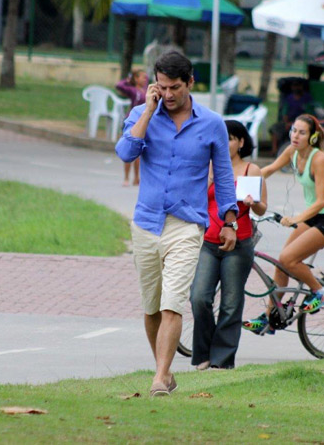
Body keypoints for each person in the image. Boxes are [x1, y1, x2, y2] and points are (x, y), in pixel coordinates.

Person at [115, 51, 239, 397]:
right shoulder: (143, 113)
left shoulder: (212, 123)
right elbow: (125, 153)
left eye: (175, 88)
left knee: (173, 302)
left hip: (187, 225)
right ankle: (165, 372)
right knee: (152, 306)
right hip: (146, 223)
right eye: (162, 87)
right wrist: (148, 110)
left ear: (190, 83)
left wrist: (230, 220)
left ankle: (160, 377)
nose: (168, 94)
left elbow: (225, 176)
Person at [243, 114, 324, 334]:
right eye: (293, 130)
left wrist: (296, 219)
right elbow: (268, 170)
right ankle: (271, 318)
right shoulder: (292, 152)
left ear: (312, 137)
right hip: (312, 217)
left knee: (288, 258)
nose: (295, 136)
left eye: (301, 132)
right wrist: (241, 185)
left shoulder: (319, 160)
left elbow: (321, 201)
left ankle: (321, 293)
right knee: (282, 263)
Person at [189, 120, 267, 370]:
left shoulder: (250, 170)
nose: (226, 143)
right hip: (208, 241)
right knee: (199, 297)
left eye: (231, 138)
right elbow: (194, 198)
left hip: (239, 243)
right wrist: (209, 180)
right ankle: (203, 354)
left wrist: (251, 201)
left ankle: (222, 360)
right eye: (223, 138)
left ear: (241, 142)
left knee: (231, 303)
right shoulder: (209, 167)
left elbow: (262, 207)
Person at [115, 69, 148, 186]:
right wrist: (129, 79)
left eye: (146, 77)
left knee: (138, 152)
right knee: (128, 149)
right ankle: (126, 177)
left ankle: (136, 177)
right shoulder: (133, 90)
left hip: (143, 122)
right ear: (136, 79)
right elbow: (119, 85)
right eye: (142, 77)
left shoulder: (146, 90)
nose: (145, 79)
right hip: (132, 121)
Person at [269, 80, 313, 156]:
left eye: (298, 86)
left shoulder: (307, 98)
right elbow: (285, 113)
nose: (296, 88)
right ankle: (274, 150)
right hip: (288, 122)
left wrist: (295, 123)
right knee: (274, 128)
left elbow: (308, 114)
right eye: (294, 86)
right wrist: (287, 123)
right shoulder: (289, 98)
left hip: (302, 122)